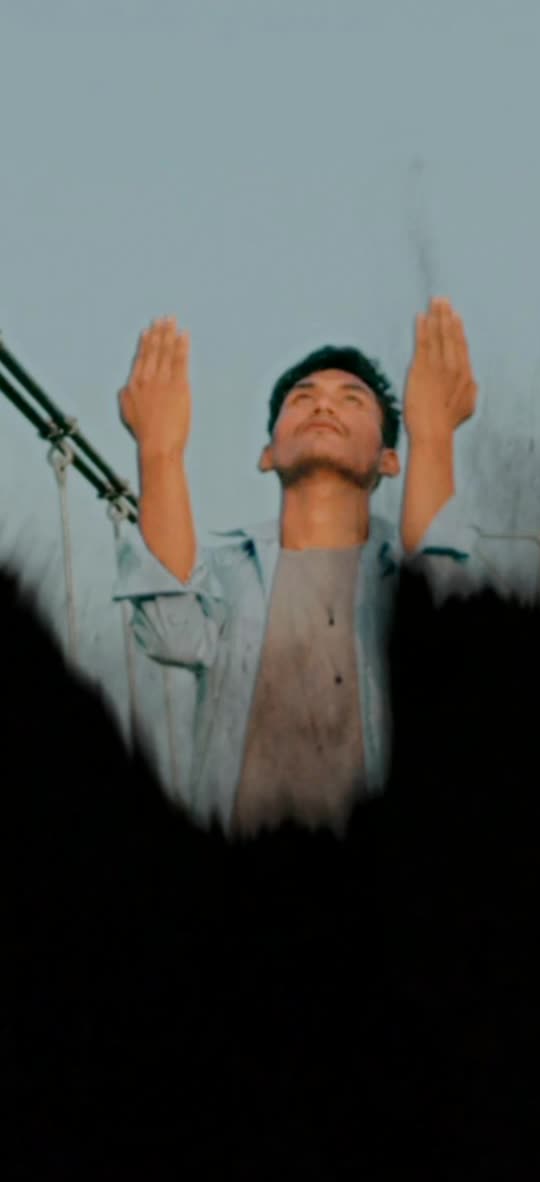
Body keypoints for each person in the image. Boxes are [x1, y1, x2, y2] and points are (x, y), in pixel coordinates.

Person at [112, 297, 489, 838]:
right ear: (268, 452)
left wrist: (433, 438)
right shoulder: (223, 576)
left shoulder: (403, 579)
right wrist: (159, 452)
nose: (323, 407)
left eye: (352, 399)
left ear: (388, 459)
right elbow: (169, 634)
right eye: (302, 398)